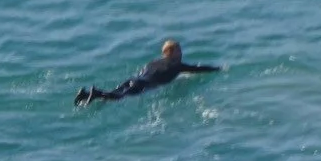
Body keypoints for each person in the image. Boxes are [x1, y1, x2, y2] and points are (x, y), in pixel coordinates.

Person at [75, 40, 222, 106]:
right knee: (120, 97)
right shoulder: (178, 66)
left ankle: (86, 95)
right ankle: (96, 94)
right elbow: (198, 69)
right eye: (178, 51)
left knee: (117, 92)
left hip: (134, 79)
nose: (181, 53)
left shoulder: (154, 61)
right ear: (170, 53)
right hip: (144, 83)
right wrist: (217, 69)